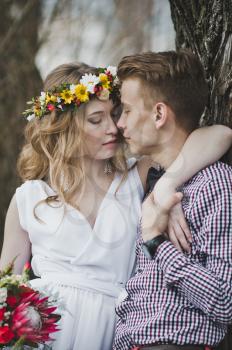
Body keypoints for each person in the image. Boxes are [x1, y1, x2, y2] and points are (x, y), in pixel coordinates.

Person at [0, 61, 231, 350]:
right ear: (65, 127)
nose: (113, 128)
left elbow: (220, 135)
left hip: (115, 327)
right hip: (49, 329)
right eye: (96, 120)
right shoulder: (29, 198)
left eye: (115, 115)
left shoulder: (138, 176)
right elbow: (6, 288)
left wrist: (167, 184)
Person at [113, 50, 232, 350]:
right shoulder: (146, 182)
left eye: (126, 111)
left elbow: (225, 300)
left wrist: (157, 243)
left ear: (159, 114)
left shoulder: (214, 183)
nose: (120, 125)